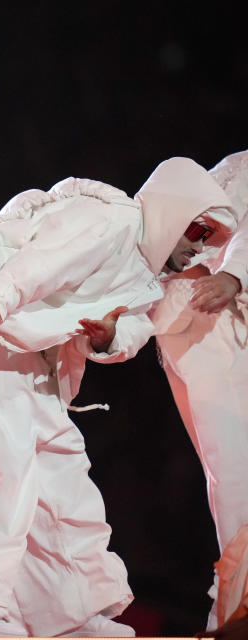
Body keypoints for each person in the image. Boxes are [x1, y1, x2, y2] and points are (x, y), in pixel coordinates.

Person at [0, 158, 238, 637]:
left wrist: (106, 336)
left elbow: (134, 331)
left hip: (39, 370)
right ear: (174, 212)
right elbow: (48, 260)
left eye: (208, 240)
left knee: (65, 482)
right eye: (197, 230)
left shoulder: (149, 276)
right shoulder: (111, 220)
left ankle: (75, 615)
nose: (198, 248)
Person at [150, 149, 248, 634]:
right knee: (231, 472)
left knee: (231, 474)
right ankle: (236, 610)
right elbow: (192, 221)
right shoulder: (239, 167)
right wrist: (234, 275)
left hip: (203, 321)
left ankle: (234, 610)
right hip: (208, 321)